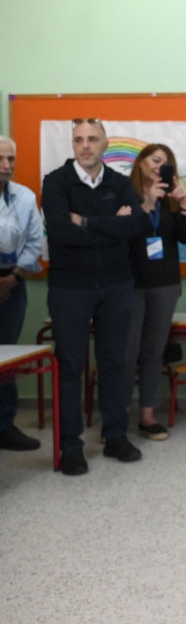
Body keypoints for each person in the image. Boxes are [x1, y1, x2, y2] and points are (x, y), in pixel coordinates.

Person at [41, 119, 149, 475]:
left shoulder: (119, 183)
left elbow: (137, 227)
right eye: (78, 140)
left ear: (105, 144)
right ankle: (70, 446)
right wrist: (111, 226)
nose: (85, 146)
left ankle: (115, 436)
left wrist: (86, 222)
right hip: (70, 288)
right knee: (70, 367)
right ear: (72, 145)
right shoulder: (56, 182)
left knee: (114, 364)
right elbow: (59, 233)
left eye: (92, 139)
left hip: (117, 286)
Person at [123, 144, 186, 441]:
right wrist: (146, 204)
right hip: (130, 284)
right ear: (140, 164)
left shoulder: (170, 198)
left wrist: (185, 206)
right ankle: (117, 418)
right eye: (155, 160)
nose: (160, 166)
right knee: (127, 353)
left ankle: (148, 415)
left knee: (154, 352)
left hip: (165, 283)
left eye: (166, 163)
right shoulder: (123, 194)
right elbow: (121, 234)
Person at [0, 135, 44, 451]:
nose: (6, 166)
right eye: (0, 159)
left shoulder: (25, 197)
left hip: (13, 283)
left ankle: (4, 425)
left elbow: (35, 243)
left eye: (11, 159)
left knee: (7, 355)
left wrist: (12, 278)